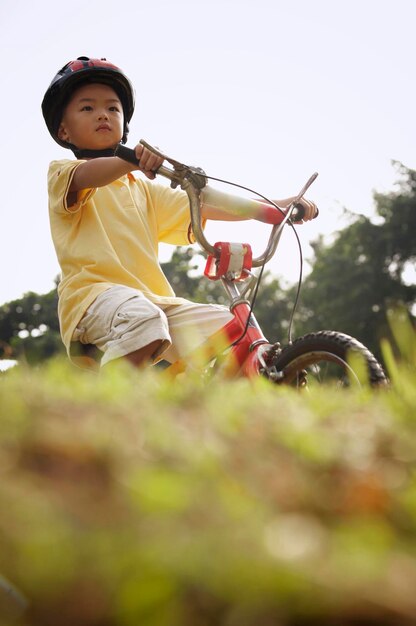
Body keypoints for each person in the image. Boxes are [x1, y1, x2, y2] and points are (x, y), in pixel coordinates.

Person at [42, 56, 317, 371]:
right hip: (93, 302)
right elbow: (91, 175)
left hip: (156, 304)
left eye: (112, 108)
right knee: (143, 320)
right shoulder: (64, 174)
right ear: (64, 131)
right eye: (87, 108)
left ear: (124, 123)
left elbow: (206, 204)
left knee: (236, 330)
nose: (103, 114)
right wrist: (131, 160)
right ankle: (109, 406)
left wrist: (273, 208)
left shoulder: (142, 189)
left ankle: (215, 409)